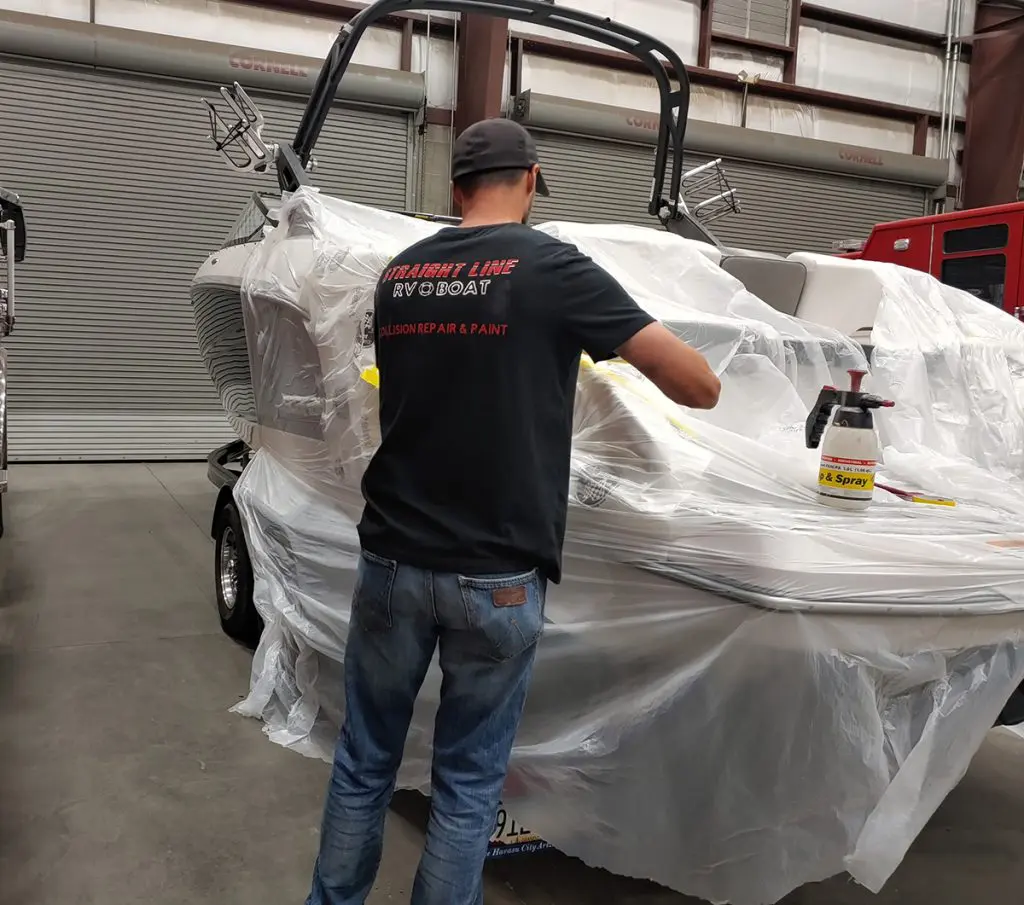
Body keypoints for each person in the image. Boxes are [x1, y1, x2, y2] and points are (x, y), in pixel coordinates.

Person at [306, 118, 721, 905]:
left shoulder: (400, 275)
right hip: (496, 574)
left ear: (456, 188)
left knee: (364, 759)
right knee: (466, 782)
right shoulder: (555, 269)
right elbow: (697, 384)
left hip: (394, 558)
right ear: (531, 181)